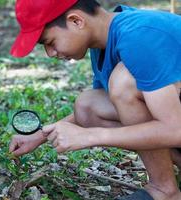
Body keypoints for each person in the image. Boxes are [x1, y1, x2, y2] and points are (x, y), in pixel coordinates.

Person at [9, 0, 181, 199]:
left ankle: (164, 190)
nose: (50, 53)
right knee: (87, 106)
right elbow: (106, 108)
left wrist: (90, 136)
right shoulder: (103, 43)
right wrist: (40, 136)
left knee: (124, 82)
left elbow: (175, 130)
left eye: (49, 42)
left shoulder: (137, 35)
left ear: (76, 21)